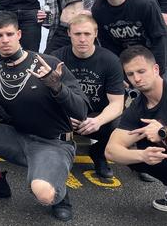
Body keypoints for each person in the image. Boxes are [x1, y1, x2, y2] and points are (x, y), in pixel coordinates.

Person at [0, 11, 89, 222]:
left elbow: (81, 111)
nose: (5, 40)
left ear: (19, 34)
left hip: (53, 143)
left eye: (9, 34)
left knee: (44, 194)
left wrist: (56, 85)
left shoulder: (47, 63)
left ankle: (60, 194)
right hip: (19, 138)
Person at [52, 15, 124, 178]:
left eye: (87, 34)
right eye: (77, 34)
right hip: (64, 116)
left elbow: (117, 103)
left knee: (118, 121)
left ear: (95, 33)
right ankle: (52, 155)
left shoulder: (110, 61)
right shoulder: (56, 57)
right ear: (69, 33)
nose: (82, 39)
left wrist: (98, 121)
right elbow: (43, 96)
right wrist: (62, 116)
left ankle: (99, 153)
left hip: (94, 118)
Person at [106, 45, 167, 211]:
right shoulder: (137, 107)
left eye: (141, 71)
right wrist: (142, 155)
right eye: (130, 74)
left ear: (156, 69)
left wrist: (164, 132)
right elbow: (111, 150)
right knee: (140, 152)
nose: (137, 78)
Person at [90, 0, 167, 76]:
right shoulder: (98, 10)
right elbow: (108, 46)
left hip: (153, 60)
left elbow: (161, 40)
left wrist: (156, 72)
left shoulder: (145, 4)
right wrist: (118, 73)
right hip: (124, 64)